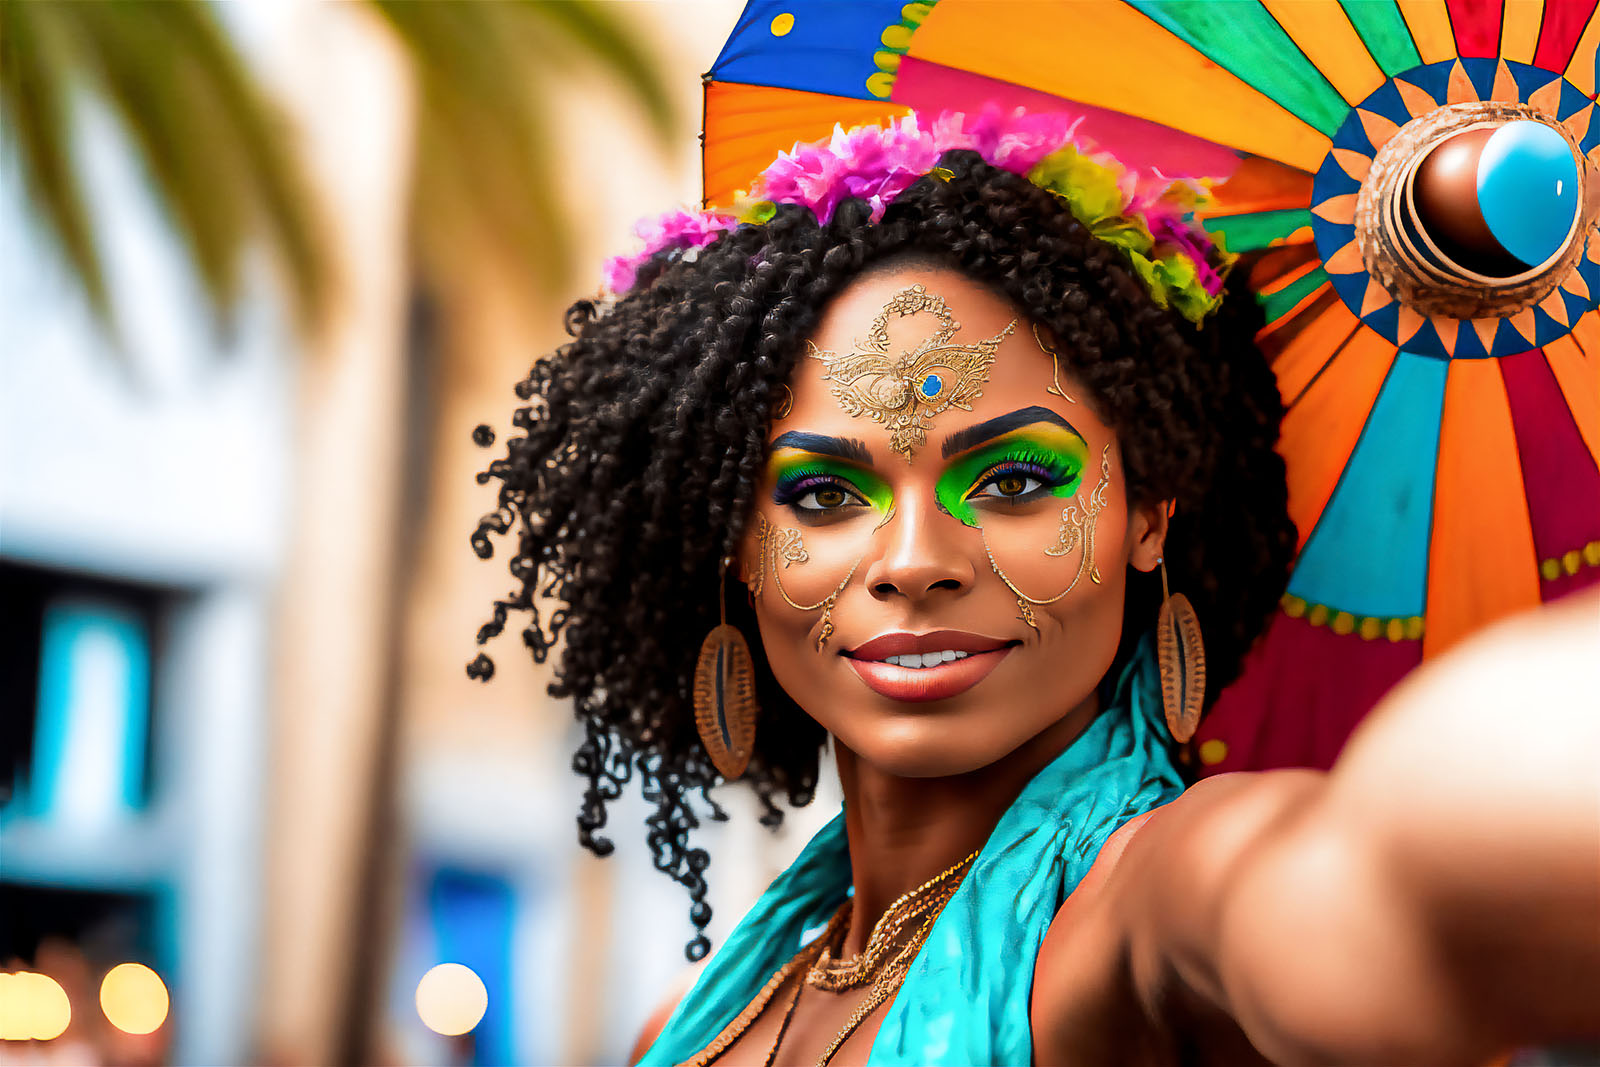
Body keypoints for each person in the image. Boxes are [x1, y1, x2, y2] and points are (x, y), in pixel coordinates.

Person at [470, 111, 1600, 1065]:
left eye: (1012, 478)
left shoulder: (1139, 911)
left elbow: (1360, 887)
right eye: (819, 494)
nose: (914, 557)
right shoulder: (688, 1024)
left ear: (1147, 512)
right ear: (734, 546)